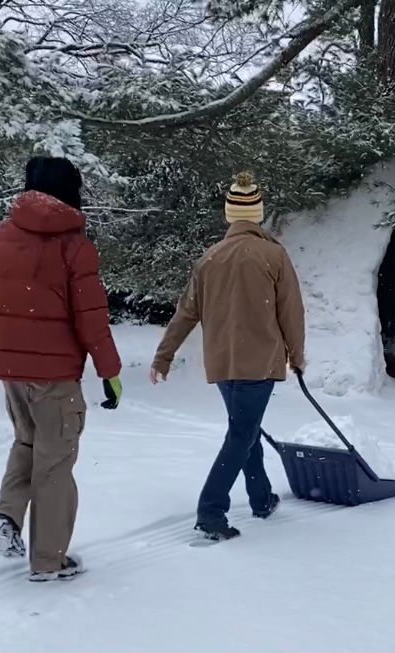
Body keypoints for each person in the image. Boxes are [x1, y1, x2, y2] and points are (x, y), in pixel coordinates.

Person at [0, 156, 123, 582]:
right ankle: (49, 561)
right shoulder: (74, 245)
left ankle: (7, 516)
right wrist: (110, 372)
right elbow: (91, 316)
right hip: (55, 378)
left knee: (27, 444)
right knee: (55, 463)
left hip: (8, 369)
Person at [150, 172, 305, 542]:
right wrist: (297, 355)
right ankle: (211, 511)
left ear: (229, 216)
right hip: (259, 361)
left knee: (244, 429)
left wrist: (163, 356)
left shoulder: (210, 258)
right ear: (258, 215)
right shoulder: (273, 255)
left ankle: (261, 498)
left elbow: (187, 312)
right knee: (241, 433)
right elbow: (291, 312)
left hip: (222, 363)